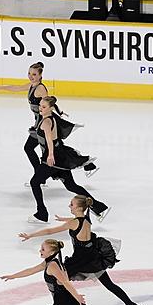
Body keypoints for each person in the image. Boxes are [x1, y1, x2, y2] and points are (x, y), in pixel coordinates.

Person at [18, 195, 145, 305]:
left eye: (72, 204)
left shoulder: (73, 223)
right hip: (94, 258)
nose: (69, 206)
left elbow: (50, 231)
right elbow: (78, 220)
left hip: (80, 262)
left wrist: (30, 235)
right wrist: (65, 219)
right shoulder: (86, 218)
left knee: (58, 282)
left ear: (79, 208)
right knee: (110, 285)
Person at [0, 62, 96, 184]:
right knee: (50, 148)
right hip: (38, 124)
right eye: (29, 73)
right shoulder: (32, 85)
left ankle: (41, 177)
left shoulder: (40, 88)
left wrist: (58, 113)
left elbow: (49, 102)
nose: (31, 76)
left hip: (43, 123)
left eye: (34, 74)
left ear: (40, 75)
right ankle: (86, 165)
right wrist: (1, 87)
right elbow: (17, 88)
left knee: (40, 148)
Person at [28, 96, 109, 224]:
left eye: (44, 107)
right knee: (71, 186)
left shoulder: (46, 122)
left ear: (50, 108)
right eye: (40, 106)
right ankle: (98, 207)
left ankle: (42, 214)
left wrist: (50, 155)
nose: (40, 109)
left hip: (53, 158)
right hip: (60, 156)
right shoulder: (51, 117)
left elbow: (49, 139)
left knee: (34, 182)